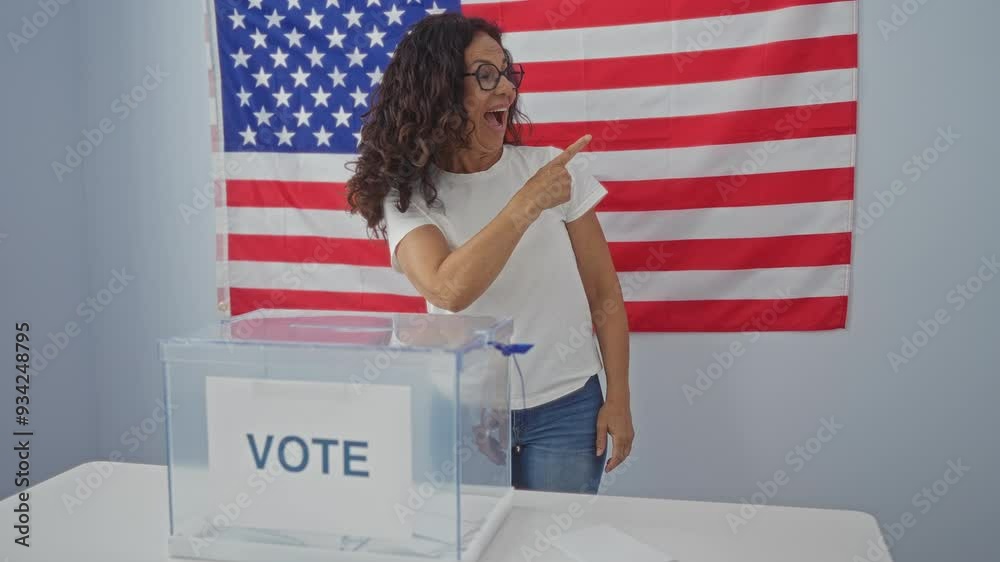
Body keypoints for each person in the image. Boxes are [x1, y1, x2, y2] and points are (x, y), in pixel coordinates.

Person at [346, 13, 634, 494]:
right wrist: (526, 203)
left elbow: (604, 294)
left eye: (506, 72)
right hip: (464, 414)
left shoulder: (552, 170)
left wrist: (619, 396)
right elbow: (447, 288)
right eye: (485, 75)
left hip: (566, 409)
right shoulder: (409, 195)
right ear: (438, 88)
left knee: (552, 545)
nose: (506, 89)